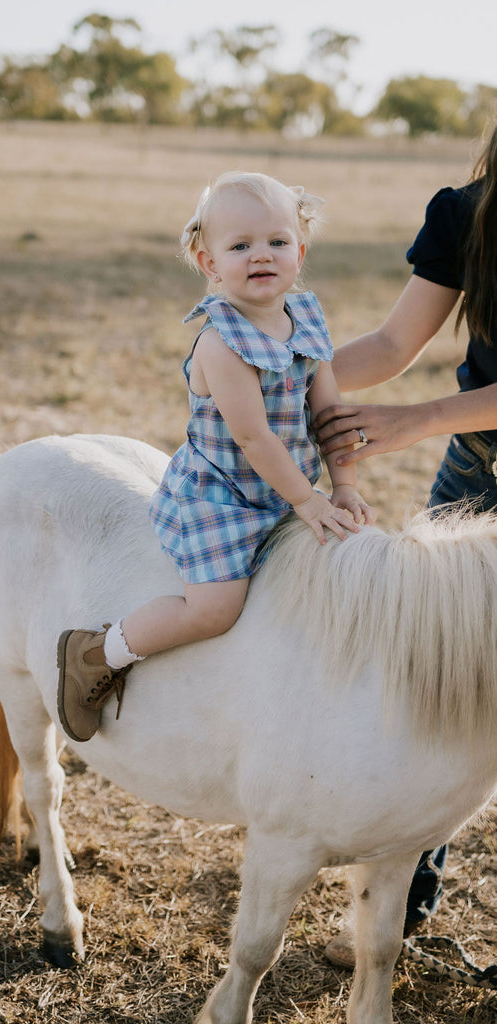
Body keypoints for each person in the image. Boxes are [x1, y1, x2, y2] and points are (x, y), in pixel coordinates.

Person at [56, 170, 375, 744]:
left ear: (299, 253)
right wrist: (307, 500)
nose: (262, 256)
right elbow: (253, 438)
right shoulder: (220, 341)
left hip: (284, 489)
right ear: (210, 264)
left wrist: (345, 486)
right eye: (240, 246)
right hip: (221, 496)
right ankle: (98, 654)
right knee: (216, 610)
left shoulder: (308, 320)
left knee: (349, 564)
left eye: (277, 242)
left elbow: (329, 414)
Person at [313, 120, 497, 968]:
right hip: (475, 473)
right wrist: (274, 373)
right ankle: (399, 909)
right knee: (429, 691)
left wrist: (416, 420)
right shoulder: (466, 212)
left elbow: (413, 396)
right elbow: (393, 346)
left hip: (452, 440)